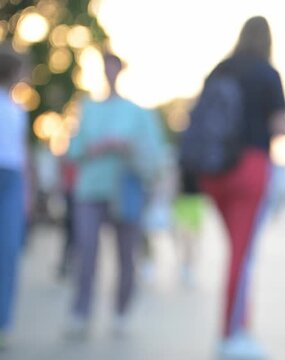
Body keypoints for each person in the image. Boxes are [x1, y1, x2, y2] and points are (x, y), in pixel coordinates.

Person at [195, 16, 285, 359]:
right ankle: (230, 335)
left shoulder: (220, 69)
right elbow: (279, 125)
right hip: (249, 168)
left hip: (213, 171)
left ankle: (240, 327)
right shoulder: (267, 73)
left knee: (237, 251)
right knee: (242, 254)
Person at [65, 53, 165, 338]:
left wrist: (125, 145)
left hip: (125, 191)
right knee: (86, 253)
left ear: (120, 70)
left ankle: (121, 310)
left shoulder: (138, 113)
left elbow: (155, 154)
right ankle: (80, 313)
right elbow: (74, 149)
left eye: (113, 67)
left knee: (126, 255)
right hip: (91, 189)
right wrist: (96, 148)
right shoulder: (87, 107)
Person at [0, 51, 28, 351]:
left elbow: (21, 154)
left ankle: (3, 324)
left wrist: (27, 195)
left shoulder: (17, 108)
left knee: (7, 253)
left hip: (12, 179)